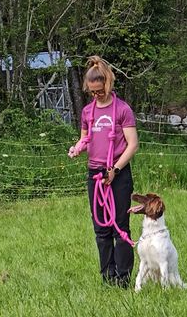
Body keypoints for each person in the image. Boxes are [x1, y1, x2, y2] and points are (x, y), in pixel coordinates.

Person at [70, 55, 138, 288]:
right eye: (92, 92)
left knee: (120, 227)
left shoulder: (122, 110)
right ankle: (107, 278)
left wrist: (116, 170)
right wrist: (78, 148)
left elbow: (133, 144)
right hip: (96, 175)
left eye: (99, 90)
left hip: (117, 174)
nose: (96, 95)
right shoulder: (88, 112)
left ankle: (123, 278)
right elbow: (85, 139)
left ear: (107, 84)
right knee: (101, 229)